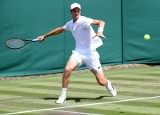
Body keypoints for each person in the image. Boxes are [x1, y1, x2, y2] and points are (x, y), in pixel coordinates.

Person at [38, 3, 117, 104]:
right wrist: (45, 36)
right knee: (67, 69)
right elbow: (60, 30)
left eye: (78, 10)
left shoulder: (84, 20)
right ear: (71, 12)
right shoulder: (70, 24)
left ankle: (109, 85)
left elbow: (100, 22)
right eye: (74, 11)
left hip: (90, 54)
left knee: (101, 81)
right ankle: (63, 96)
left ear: (80, 11)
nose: (76, 12)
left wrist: (100, 31)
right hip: (78, 52)